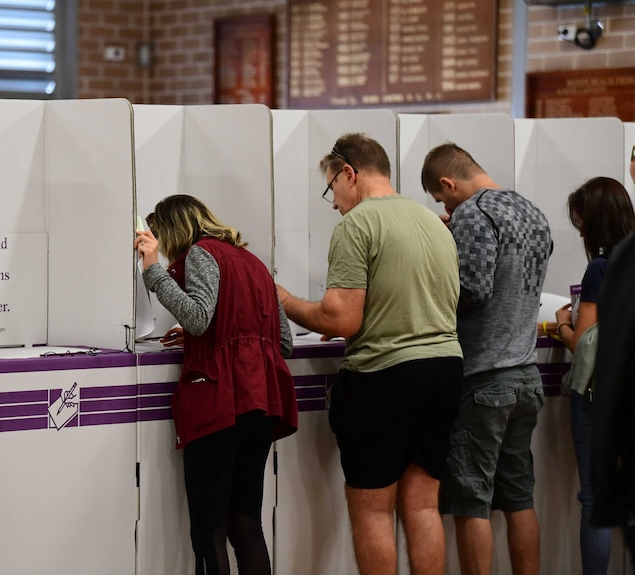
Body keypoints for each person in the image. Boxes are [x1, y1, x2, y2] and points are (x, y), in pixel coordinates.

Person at [277, 133, 463, 575]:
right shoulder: (433, 222)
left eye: (331, 188)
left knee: (374, 510)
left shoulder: (356, 225)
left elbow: (342, 320)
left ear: (349, 173)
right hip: (445, 370)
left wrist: (283, 300)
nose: (335, 201)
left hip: (384, 377)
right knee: (422, 508)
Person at [134, 195, 298, 575]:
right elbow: (283, 342)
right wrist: (205, 335)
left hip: (221, 404)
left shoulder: (201, 254)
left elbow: (198, 317)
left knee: (209, 531)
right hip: (262, 407)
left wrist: (153, 271)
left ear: (174, 231)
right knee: (246, 526)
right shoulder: (254, 262)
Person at [421, 142, 553, 575]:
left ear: (447, 182)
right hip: (525, 375)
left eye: (442, 198)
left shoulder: (474, 214)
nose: (447, 206)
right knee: (518, 497)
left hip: (483, 379)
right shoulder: (532, 212)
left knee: (470, 501)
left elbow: (473, 292)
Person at [551, 177, 635, 574]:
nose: (579, 227)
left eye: (581, 218)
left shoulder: (602, 268)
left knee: (594, 499)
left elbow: (582, 343)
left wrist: (562, 324)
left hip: (600, 398)